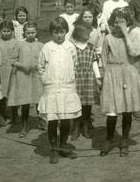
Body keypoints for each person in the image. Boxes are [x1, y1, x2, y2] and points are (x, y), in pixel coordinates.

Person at [99, 9, 140, 157]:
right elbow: (104, 59)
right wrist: (104, 77)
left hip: (128, 73)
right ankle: (109, 139)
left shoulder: (131, 37)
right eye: (116, 22)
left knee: (127, 108)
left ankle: (124, 140)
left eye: (122, 21)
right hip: (112, 75)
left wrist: (126, 34)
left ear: (127, 23)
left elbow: (133, 53)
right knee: (112, 112)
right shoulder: (107, 38)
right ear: (112, 23)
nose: (119, 25)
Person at [38, 17, 82, 164]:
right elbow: (41, 67)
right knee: (52, 120)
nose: (59, 35)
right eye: (56, 32)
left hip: (67, 88)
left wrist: (70, 77)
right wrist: (46, 80)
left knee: (65, 120)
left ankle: (63, 146)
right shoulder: (46, 47)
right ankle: (54, 149)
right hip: (51, 88)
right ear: (51, 33)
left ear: (65, 32)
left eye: (61, 32)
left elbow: (75, 64)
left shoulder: (70, 47)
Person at [8, 22, 44, 138]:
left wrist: (39, 66)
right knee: (25, 102)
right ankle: (24, 125)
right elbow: (12, 60)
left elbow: (45, 61)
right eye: (28, 33)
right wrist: (22, 65)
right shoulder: (19, 45)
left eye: (32, 32)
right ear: (24, 33)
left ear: (36, 32)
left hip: (37, 77)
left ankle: (42, 121)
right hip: (23, 76)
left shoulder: (41, 45)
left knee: (40, 100)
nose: (30, 35)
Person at [70, 22, 101, 140]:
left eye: (89, 34)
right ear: (78, 34)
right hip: (76, 78)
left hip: (88, 78)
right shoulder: (72, 47)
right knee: (76, 104)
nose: (89, 36)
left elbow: (94, 64)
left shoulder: (91, 47)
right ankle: (76, 127)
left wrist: (98, 78)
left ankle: (86, 127)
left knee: (87, 105)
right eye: (87, 34)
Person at [0, 20, 18, 127]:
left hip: (12, 70)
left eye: (8, 31)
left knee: (13, 92)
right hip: (0, 70)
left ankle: (14, 115)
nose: (6, 33)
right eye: (3, 31)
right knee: (1, 94)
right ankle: (1, 115)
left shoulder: (16, 42)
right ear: (0, 31)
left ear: (12, 31)